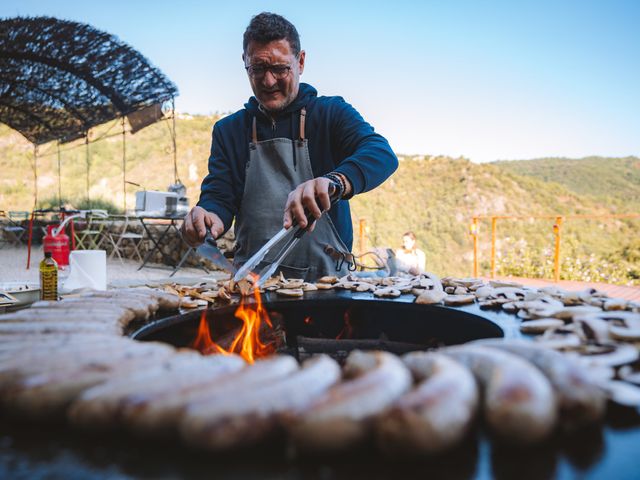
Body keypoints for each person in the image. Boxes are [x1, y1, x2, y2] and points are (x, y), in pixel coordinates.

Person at [182, 12, 398, 280]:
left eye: (280, 68)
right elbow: (220, 194)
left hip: (327, 285)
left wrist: (335, 182)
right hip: (252, 287)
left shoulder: (331, 114)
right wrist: (209, 217)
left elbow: (381, 153)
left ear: (301, 61)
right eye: (258, 68)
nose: (269, 80)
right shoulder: (229, 131)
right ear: (245, 62)